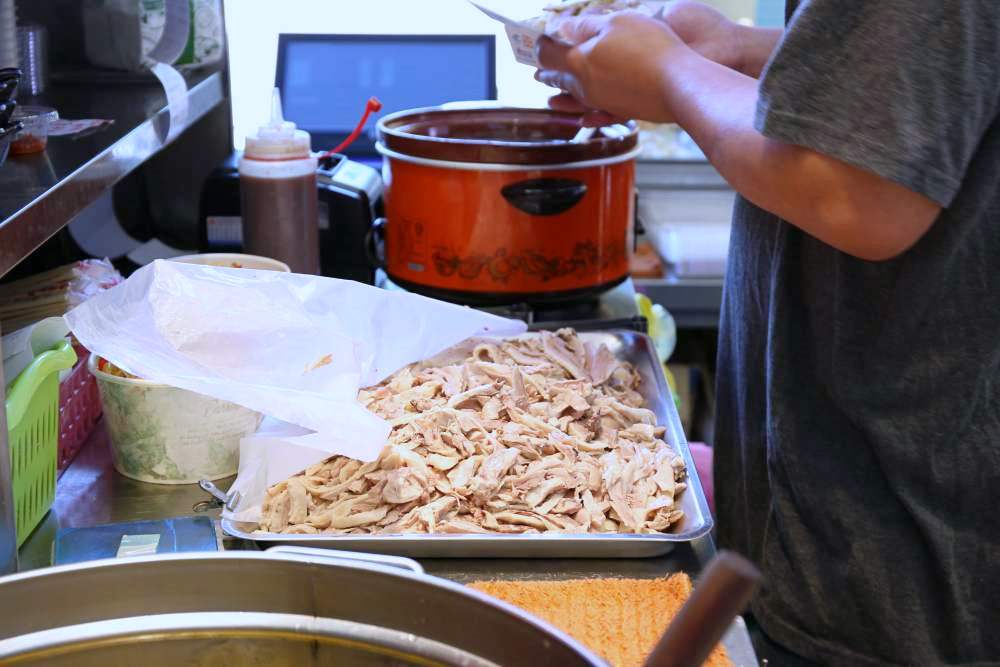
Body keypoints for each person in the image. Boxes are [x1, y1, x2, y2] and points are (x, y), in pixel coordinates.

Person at [536, 1, 1000, 665]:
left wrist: (670, 72)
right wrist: (740, 49)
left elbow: (854, 191)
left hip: (893, 574)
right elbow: (922, 74)